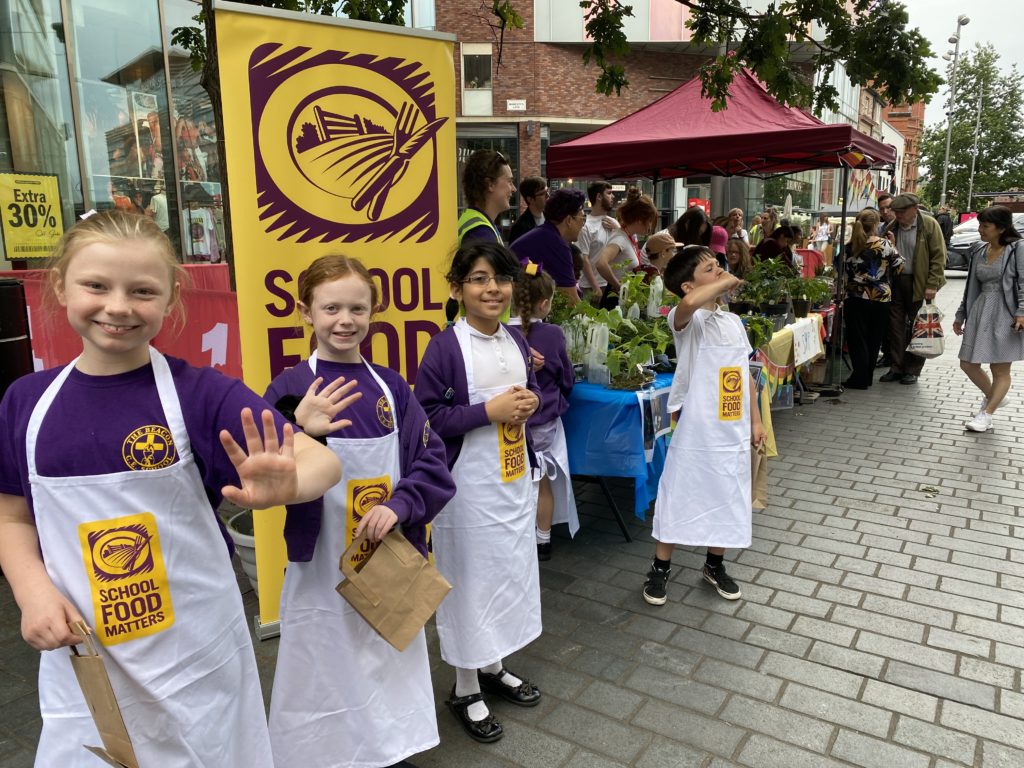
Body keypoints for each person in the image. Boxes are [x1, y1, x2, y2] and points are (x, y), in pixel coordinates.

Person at [0, 211, 341, 767]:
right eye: (96, 285)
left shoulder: (200, 394)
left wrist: (290, 483)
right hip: (83, 652)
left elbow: (319, 461)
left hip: (194, 654)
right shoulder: (26, 402)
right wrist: (31, 591)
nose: (117, 306)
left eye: (141, 292)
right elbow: (12, 516)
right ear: (60, 284)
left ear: (169, 298)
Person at [264, 255, 456, 768]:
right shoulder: (287, 389)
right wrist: (300, 429)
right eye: (331, 308)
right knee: (321, 656)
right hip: (318, 560)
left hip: (386, 556)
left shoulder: (392, 387)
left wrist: (401, 504)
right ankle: (322, 753)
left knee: (387, 653)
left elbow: (432, 461)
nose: (344, 320)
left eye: (357, 308)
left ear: (373, 313)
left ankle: (390, 748)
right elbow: (266, 477)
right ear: (305, 312)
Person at [415, 240, 543, 744]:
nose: (493, 289)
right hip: (466, 489)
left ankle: (494, 665)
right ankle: (465, 687)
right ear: (458, 289)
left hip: (512, 481)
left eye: (502, 279)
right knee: (469, 581)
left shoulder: (515, 339)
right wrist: (486, 413)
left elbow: (532, 398)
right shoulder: (445, 346)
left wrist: (530, 402)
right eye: (479, 279)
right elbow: (427, 417)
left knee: (507, 574)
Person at [642, 245, 765, 606]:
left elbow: (746, 376)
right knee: (678, 491)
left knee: (728, 493)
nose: (719, 272)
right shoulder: (685, 320)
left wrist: (756, 421)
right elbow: (691, 306)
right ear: (687, 286)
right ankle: (660, 568)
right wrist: (724, 282)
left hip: (733, 427)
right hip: (696, 427)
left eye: (718, 267)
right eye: (709, 269)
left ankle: (715, 565)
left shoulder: (732, 322)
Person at [510, 263, 577, 560]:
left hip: (511, 425)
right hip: (544, 421)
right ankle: (543, 540)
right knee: (542, 481)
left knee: (514, 483)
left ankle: (516, 538)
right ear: (545, 303)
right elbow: (566, 377)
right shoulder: (552, 334)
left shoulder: (499, 333)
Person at [953, 205, 1024, 432]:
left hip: (1006, 312)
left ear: (1001, 228)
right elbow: (970, 287)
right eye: (980, 225)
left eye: (986, 226)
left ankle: (987, 413)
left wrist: (1022, 311)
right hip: (981, 309)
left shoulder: (1017, 249)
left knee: (1000, 369)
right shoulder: (979, 249)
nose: (981, 229)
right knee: (968, 363)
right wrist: (960, 315)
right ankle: (996, 397)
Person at [878, 193, 946, 386]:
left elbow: (939, 257)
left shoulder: (929, 225)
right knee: (896, 326)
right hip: (896, 282)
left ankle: (913, 370)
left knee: (919, 327)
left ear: (915, 209)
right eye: (896, 212)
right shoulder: (892, 228)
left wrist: (932, 284)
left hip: (920, 283)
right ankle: (896, 367)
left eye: (902, 212)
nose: (898, 216)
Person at [842, 209, 904, 390]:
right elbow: (899, 267)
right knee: (874, 338)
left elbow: (842, 269)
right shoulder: (885, 244)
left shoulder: (850, 245)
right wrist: (894, 245)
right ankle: (866, 377)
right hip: (881, 297)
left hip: (855, 297)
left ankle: (859, 377)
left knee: (857, 338)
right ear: (876, 224)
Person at [510, 188, 587, 306]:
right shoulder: (556, 245)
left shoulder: (545, 234)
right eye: (582, 219)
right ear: (569, 220)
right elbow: (572, 301)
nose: (583, 224)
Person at [594, 187, 658, 305]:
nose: (650, 226)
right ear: (639, 220)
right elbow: (601, 263)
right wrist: (617, 285)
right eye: (649, 220)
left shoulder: (628, 236)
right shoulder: (620, 238)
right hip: (615, 299)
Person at [458, 149, 515, 243]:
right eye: (509, 181)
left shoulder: (475, 223)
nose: (514, 188)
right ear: (490, 184)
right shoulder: (481, 233)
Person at [577, 181, 619, 304]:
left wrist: (618, 229)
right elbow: (584, 259)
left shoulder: (613, 223)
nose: (613, 197)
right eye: (609, 193)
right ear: (599, 197)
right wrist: (595, 286)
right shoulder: (586, 226)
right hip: (593, 286)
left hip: (613, 283)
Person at [508, 176, 548, 244]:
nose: (548, 195)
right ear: (530, 199)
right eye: (542, 194)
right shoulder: (519, 228)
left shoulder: (552, 218)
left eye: (547, 191)